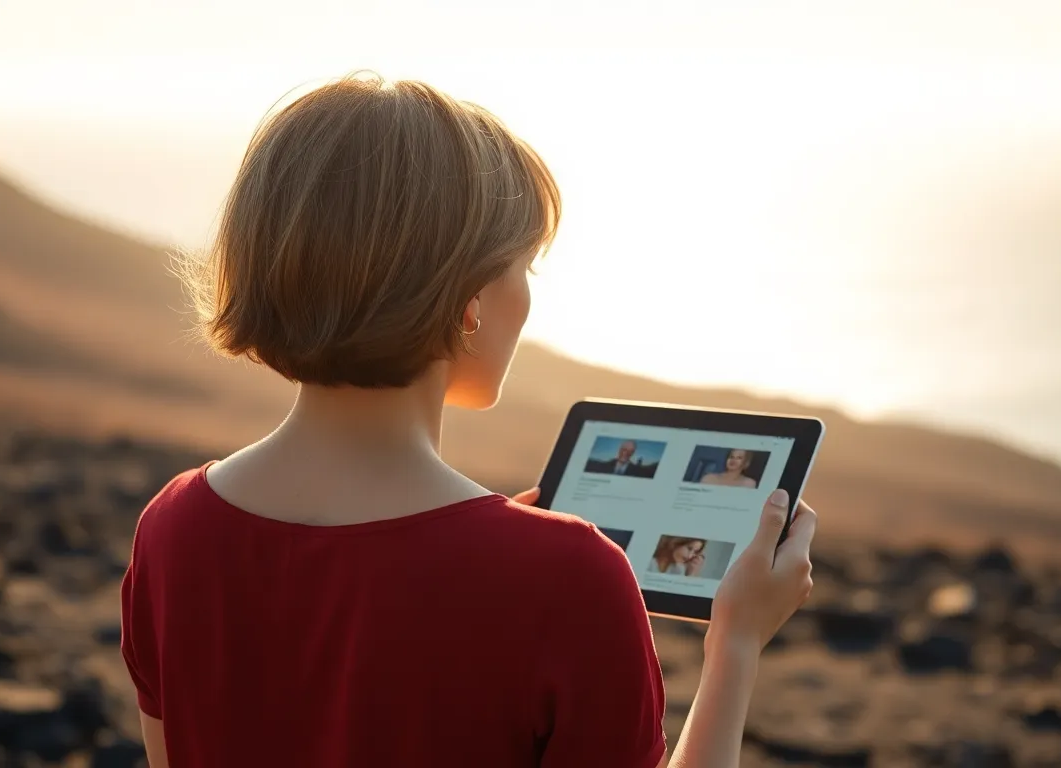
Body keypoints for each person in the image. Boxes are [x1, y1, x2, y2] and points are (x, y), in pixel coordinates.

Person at [120, 72, 817, 768]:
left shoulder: (174, 526)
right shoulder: (570, 580)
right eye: (525, 269)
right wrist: (735, 643)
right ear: (469, 304)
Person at [586, 439, 655, 477]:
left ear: (633, 453)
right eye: (624, 449)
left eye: (630, 451)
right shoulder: (602, 467)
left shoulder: (638, 473)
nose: (626, 453)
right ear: (619, 450)